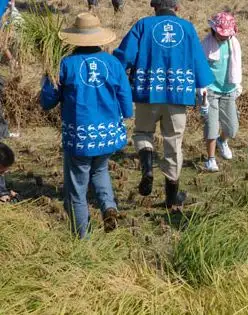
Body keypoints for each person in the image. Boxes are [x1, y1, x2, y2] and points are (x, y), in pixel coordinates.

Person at [113, 0, 214, 211]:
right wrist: (202, 86)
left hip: (147, 93)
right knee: (173, 143)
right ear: (177, 7)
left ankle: (147, 170)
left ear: (154, 7)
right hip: (178, 97)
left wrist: (113, 71)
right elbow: (198, 60)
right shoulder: (187, 28)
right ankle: (171, 198)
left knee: (142, 133)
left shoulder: (143, 25)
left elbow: (126, 56)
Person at [40, 13, 133, 239]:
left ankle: (82, 238)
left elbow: (47, 100)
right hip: (108, 134)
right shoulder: (113, 62)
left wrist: (47, 74)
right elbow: (126, 103)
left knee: (76, 189)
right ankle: (109, 207)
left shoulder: (65, 64)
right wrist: (125, 114)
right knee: (100, 169)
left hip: (80, 136)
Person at [200, 11, 243, 172]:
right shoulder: (206, 44)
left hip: (228, 90)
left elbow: (237, 65)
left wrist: (238, 84)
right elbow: (199, 67)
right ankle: (210, 159)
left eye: (226, 35)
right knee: (211, 125)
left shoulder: (234, 43)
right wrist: (201, 89)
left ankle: (222, 141)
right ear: (214, 30)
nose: (224, 37)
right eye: (220, 34)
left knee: (232, 128)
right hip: (210, 90)